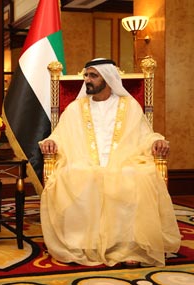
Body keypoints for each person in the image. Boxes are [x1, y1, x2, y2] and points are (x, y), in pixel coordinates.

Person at [38, 58, 181, 268]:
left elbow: (145, 135)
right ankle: (84, 244)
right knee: (76, 174)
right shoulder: (76, 108)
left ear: (108, 78)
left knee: (137, 176)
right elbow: (59, 135)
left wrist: (157, 140)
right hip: (83, 161)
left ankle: (129, 247)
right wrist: (50, 141)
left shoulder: (129, 105)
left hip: (124, 160)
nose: (87, 80)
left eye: (93, 76)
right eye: (86, 75)